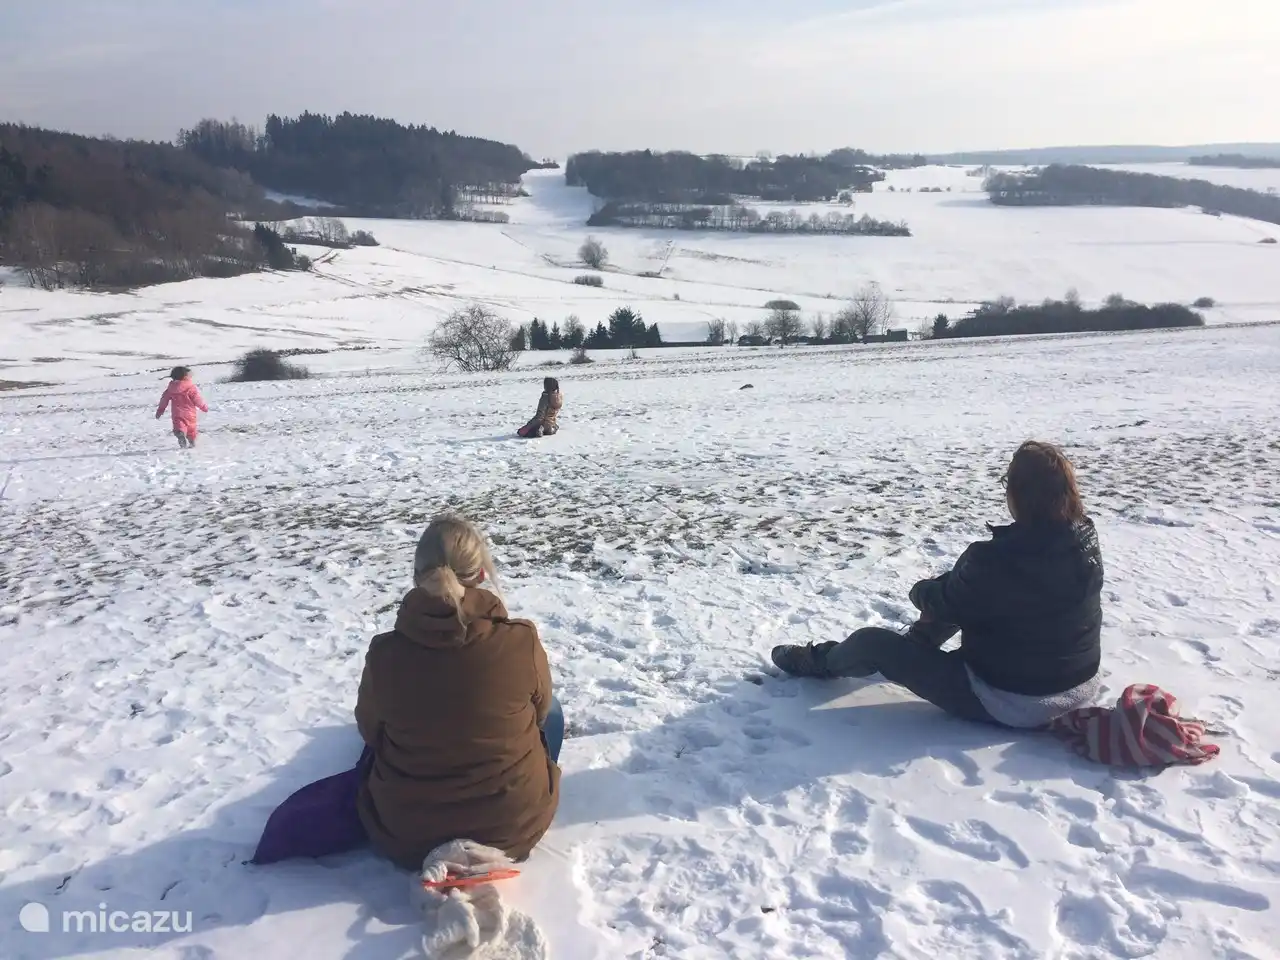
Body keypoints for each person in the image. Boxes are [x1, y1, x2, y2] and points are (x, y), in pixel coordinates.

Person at [771, 441, 1103, 728]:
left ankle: (819, 661)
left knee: (874, 642)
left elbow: (941, 599)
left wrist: (922, 588)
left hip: (1015, 702)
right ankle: (919, 644)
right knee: (970, 594)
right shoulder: (1085, 536)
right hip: (1079, 685)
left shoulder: (994, 558)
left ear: (1019, 493)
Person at [354, 514, 562, 868]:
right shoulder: (520, 639)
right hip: (511, 827)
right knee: (552, 712)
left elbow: (370, 731)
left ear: (418, 576)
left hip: (408, 831)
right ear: (481, 573)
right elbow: (540, 715)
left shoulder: (386, 653)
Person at [155, 365, 209, 449]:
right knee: (191, 429)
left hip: (177, 414)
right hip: (190, 414)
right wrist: (204, 407)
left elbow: (164, 400)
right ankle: (192, 443)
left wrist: (160, 411)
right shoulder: (191, 387)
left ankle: (180, 434)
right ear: (185, 376)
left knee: (179, 427)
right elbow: (197, 399)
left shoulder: (170, 389)